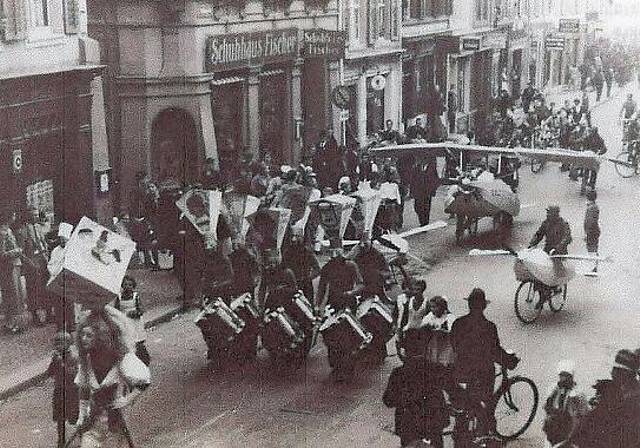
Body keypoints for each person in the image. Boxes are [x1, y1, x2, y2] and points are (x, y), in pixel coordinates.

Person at [74, 306, 150, 448]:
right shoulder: (86, 360)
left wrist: (126, 400)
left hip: (116, 421)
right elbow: (83, 389)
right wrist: (81, 415)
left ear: (101, 337)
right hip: (93, 419)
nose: (84, 339)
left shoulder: (122, 359)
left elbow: (144, 381)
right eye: (82, 334)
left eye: (89, 335)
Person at [450, 288, 519, 436]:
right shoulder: (489, 327)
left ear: (468, 304)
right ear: (484, 306)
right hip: (482, 373)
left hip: (461, 371)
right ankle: (485, 432)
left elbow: (454, 344)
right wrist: (509, 361)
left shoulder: (458, 323)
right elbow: (495, 351)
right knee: (485, 405)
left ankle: (461, 427)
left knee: (464, 403)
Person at [383, 329, 453, 448]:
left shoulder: (398, 373)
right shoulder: (436, 369)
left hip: (409, 428)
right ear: (425, 348)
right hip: (433, 426)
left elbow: (388, 401)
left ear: (405, 350)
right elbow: (455, 392)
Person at [570, 349, 640, 447]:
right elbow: (592, 418)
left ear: (626, 373)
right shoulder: (611, 391)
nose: (612, 373)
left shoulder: (635, 399)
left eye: (615, 370)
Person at [16, 207, 50, 326]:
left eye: (36, 214)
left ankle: (48, 314)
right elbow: (21, 252)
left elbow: (43, 242)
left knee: (46, 288)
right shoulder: (23, 231)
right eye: (33, 215)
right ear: (28, 216)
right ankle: (35, 316)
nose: (36, 216)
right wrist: (30, 263)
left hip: (42, 260)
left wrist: (46, 255)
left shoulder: (38, 227)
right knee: (33, 290)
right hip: (31, 263)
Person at [46, 331, 79, 448]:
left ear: (69, 343)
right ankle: (61, 440)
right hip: (59, 390)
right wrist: (54, 362)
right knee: (60, 418)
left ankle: (81, 437)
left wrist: (61, 363)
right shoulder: (56, 358)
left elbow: (73, 375)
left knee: (74, 417)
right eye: (57, 343)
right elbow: (49, 373)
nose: (58, 346)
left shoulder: (74, 357)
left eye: (61, 343)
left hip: (72, 391)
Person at [544, 359, 590, 440]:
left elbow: (583, 413)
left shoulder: (578, 393)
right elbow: (547, 406)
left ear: (571, 377)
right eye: (562, 375)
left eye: (567, 376)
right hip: (556, 426)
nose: (564, 379)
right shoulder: (554, 388)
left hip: (570, 428)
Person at [113, 275, 150, 366]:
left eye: (130, 285)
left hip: (135, 322)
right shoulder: (119, 297)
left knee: (137, 340)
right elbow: (116, 310)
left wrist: (135, 313)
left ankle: (143, 358)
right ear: (122, 285)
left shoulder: (135, 296)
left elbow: (141, 310)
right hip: (124, 320)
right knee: (126, 339)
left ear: (133, 286)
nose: (127, 287)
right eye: (125, 284)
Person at [0, 210, 24, 334]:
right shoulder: (3, 232)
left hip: (14, 266)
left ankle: (12, 323)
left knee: (14, 295)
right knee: (11, 295)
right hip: (8, 268)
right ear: (8, 217)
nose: (15, 217)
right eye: (13, 215)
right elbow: (2, 254)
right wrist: (17, 251)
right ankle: (10, 324)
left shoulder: (8, 230)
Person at [422, 296, 456, 367]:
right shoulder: (430, 316)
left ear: (442, 307)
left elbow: (452, 331)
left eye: (435, 307)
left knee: (444, 364)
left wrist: (443, 331)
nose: (432, 309)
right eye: (431, 307)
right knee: (433, 362)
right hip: (433, 344)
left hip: (445, 345)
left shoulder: (449, 317)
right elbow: (423, 326)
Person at [411, 157, 440, 226]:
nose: (422, 161)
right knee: (417, 207)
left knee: (426, 208)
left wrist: (433, 190)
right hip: (418, 191)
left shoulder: (432, 168)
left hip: (427, 191)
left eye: (424, 159)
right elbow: (412, 180)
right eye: (421, 159)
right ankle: (422, 220)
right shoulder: (416, 168)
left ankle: (425, 223)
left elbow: (436, 180)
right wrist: (411, 192)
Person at [583, 189, 600, 275]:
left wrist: (587, 234)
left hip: (592, 232)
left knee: (591, 250)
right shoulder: (593, 207)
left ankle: (592, 269)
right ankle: (593, 267)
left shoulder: (591, 208)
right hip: (594, 231)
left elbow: (590, 222)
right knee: (593, 249)